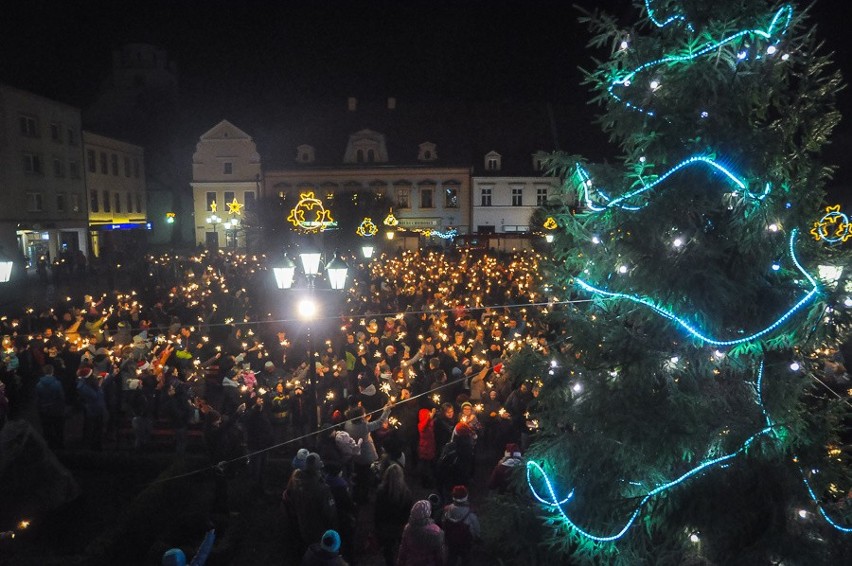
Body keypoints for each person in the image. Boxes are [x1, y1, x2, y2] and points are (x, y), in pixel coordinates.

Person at [284, 452, 337, 557]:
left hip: (303, 527)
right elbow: (330, 514)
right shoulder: (322, 489)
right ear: (318, 469)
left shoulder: (297, 482)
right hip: (320, 531)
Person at [374, 463, 414, 566]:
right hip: (401, 527)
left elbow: (377, 512)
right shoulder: (406, 493)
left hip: (385, 527)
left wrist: (376, 528)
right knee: (402, 550)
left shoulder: (381, 492)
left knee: (388, 551)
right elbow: (409, 513)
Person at [397, 499, 446, 566]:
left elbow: (403, 550)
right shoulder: (436, 531)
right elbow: (439, 555)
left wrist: (400, 563)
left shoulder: (408, 528)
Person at [441, 486, 480, 565]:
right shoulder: (471, 514)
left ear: (453, 497)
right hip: (466, 543)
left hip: (451, 541)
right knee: (466, 560)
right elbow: (477, 530)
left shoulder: (447, 510)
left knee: (451, 558)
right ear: (466, 497)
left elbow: (443, 523)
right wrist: (478, 538)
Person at [35, 364, 66, 449]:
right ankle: (60, 445)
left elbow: (38, 398)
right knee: (58, 428)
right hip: (56, 409)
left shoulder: (38, 385)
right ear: (52, 371)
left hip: (44, 410)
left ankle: (49, 445)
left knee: (47, 428)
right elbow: (61, 397)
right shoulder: (57, 384)